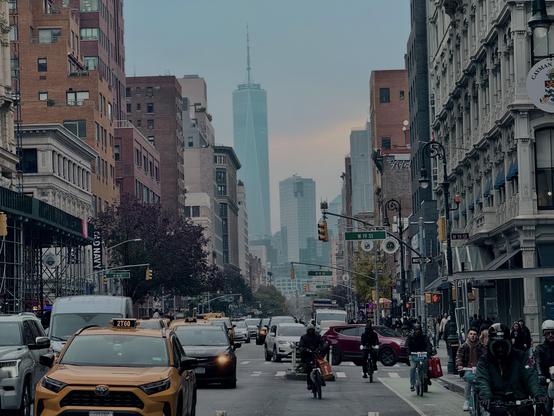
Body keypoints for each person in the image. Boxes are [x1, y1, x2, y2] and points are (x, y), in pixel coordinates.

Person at [476, 323, 544, 416]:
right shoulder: (484, 361)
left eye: (503, 345)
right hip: (496, 403)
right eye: (497, 346)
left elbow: (530, 375)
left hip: (520, 401)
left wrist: (538, 394)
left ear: (508, 343)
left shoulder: (521, 356)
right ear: (491, 344)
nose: (500, 349)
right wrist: (486, 396)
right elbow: (483, 379)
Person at [456, 327, 485, 411]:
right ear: (468, 335)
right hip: (467, 369)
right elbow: (459, 356)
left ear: (477, 336)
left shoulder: (481, 346)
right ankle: (467, 401)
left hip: (479, 370)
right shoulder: (464, 346)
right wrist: (460, 365)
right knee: (468, 383)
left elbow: (486, 356)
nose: (473, 336)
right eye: (471, 334)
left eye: (474, 334)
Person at [535, 320, 554, 416]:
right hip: (545, 380)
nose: (550, 335)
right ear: (544, 334)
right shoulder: (540, 348)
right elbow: (537, 362)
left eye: (553, 333)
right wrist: (540, 374)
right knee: (545, 405)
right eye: (547, 333)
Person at [407, 323, 433, 392]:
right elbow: (407, 346)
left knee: (426, 366)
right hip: (413, 355)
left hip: (422, 354)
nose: (417, 331)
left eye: (419, 329)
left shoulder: (424, 337)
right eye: (416, 330)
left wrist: (428, 351)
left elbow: (428, 345)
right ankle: (412, 384)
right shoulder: (410, 337)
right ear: (414, 330)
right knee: (413, 368)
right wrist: (409, 351)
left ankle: (426, 378)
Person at [299, 324, 325, 390]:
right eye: (309, 330)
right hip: (308, 355)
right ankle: (309, 384)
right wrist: (306, 349)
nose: (311, 331)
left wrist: (319, 348)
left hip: (316, 354)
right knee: (309, 369)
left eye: (312, 330)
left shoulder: (318, 336)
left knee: (321, 366)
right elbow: (301, 346)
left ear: (314, 330)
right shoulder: (304, 337)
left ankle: (322, 380)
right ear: (307, 330)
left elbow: (322, 344)